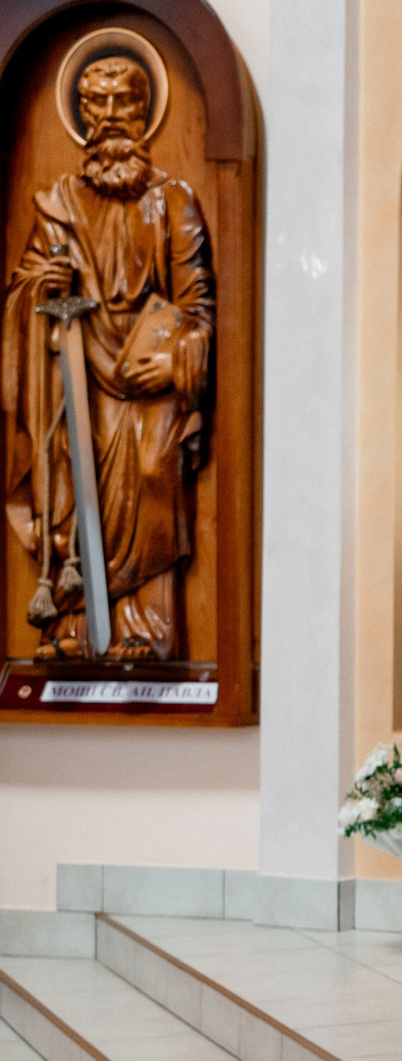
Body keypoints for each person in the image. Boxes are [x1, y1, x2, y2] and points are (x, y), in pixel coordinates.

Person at [4, 52, 214, 661]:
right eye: (100, 104)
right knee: (66, 469)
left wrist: (178, 361)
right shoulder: (56, 204)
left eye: (127, 103)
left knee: (153, 473)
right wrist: (45, 287)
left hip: (151, 383)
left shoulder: (176, 202)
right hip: (77, 376)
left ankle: (146, 632)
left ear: (146, 114)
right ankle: (71, 630)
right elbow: (23, 292)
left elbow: (199, 307)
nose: (113, 117)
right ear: (82, 112)